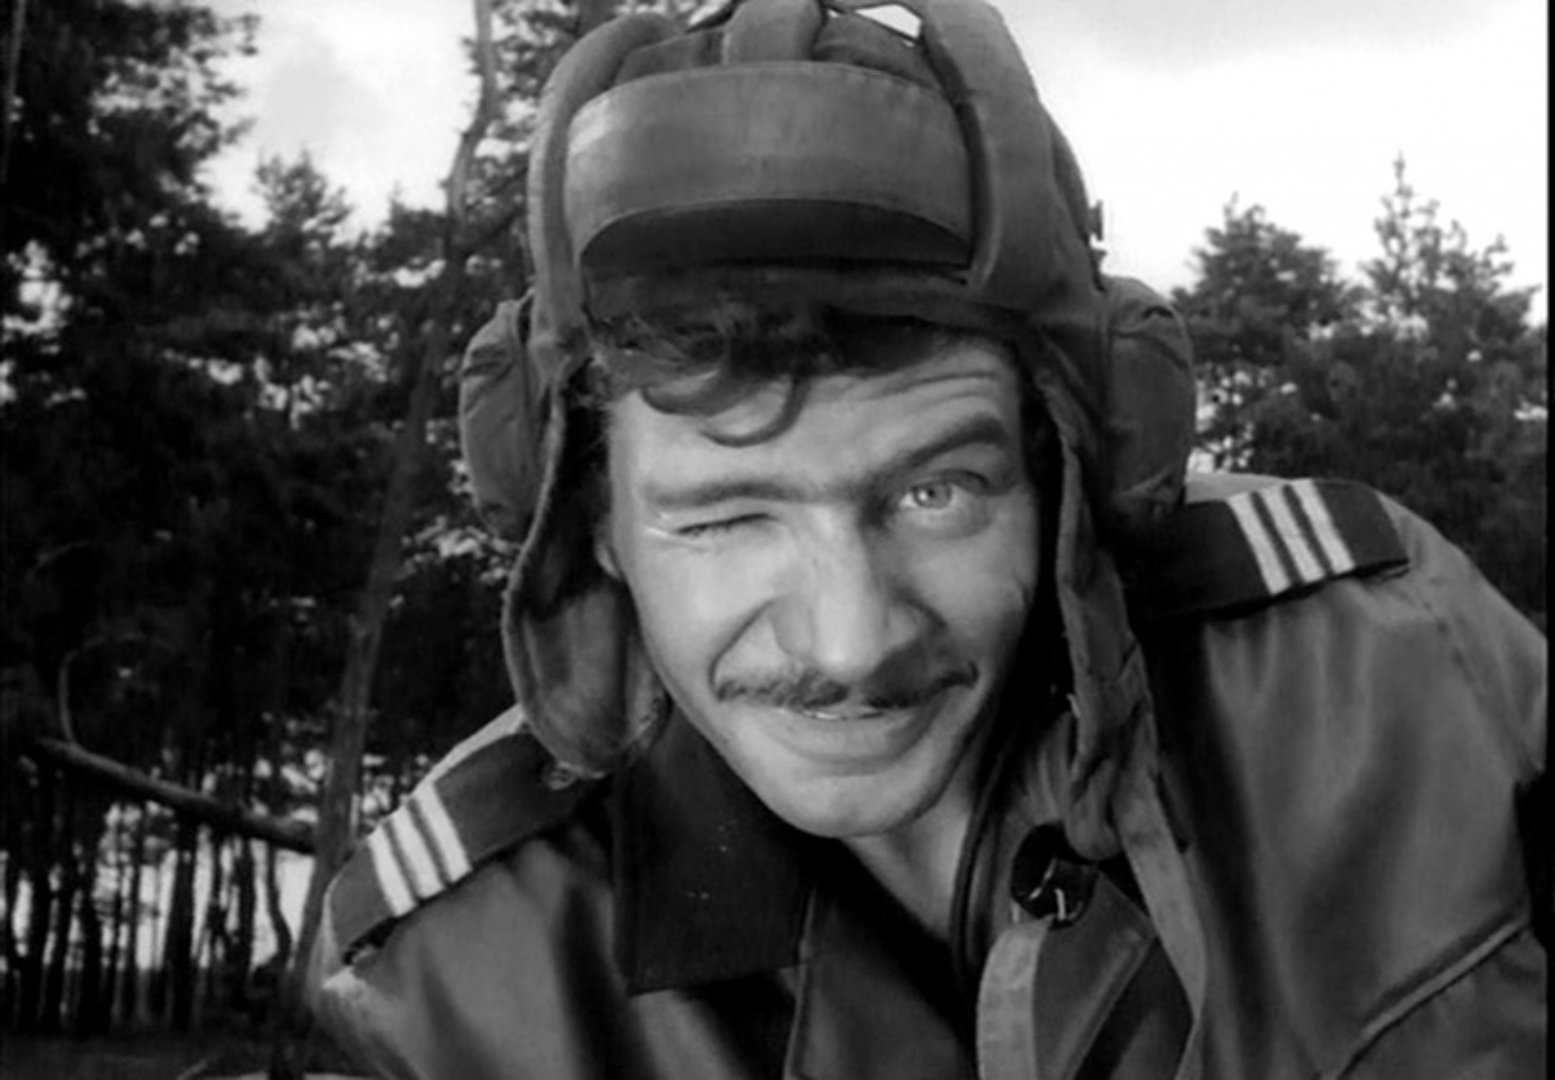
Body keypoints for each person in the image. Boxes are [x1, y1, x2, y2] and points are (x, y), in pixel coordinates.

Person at [308, 1, 1548, 1076]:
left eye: (935, 492)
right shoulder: (456, 983)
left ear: (1071, 470)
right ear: (594, 529)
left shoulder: (1395, 675)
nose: (850, 642)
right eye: (728, 517)